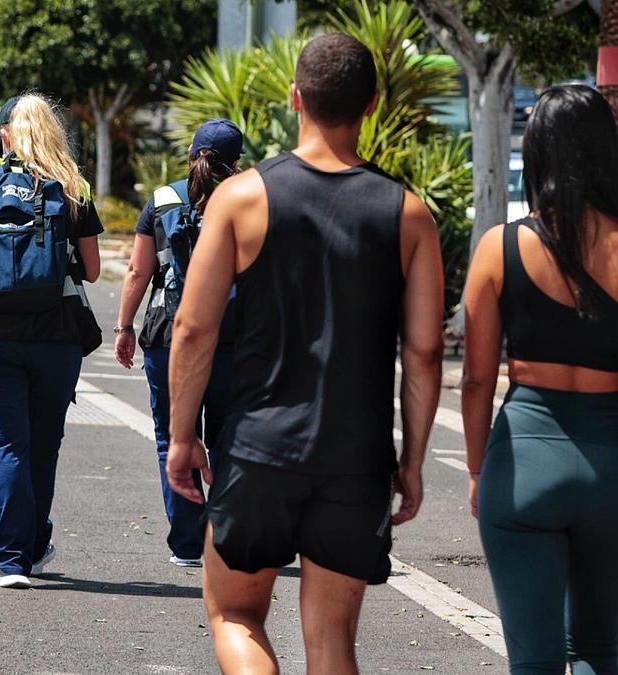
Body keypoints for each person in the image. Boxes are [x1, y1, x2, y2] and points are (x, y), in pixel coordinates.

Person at [166, 34, 444, 672]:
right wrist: (414, 461)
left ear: (295, 98)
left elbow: (192, 328)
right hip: (354, 458)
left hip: (259, 447)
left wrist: (183, 437)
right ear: (372, 105)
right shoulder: (408, 215)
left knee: (236, 614)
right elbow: (424, 351)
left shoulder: (242, 197)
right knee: (332, 642)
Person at [461, 84, 618, 675]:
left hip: (525, 460)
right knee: (602, 652)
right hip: (613, 468)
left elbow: (476, 382)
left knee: (534, 659)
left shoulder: (500, 247)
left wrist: (478, 470)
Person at [0, 94, 103, 589]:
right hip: (55, 336)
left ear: (6, 134)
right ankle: (34, 547)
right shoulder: (71, 186)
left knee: (5, 444)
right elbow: (94, 271)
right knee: (43, 445)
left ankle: (11, 560)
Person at [113, 118, 243, 567]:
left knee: (174, 436)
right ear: (237, 161)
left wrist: (125, 327)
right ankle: (225, 541)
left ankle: (187, 545)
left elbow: (137, 272)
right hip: (231, 337)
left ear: (191, 155)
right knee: (230, 440)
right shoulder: (249, 199)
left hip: (168, 334)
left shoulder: (163, 199)